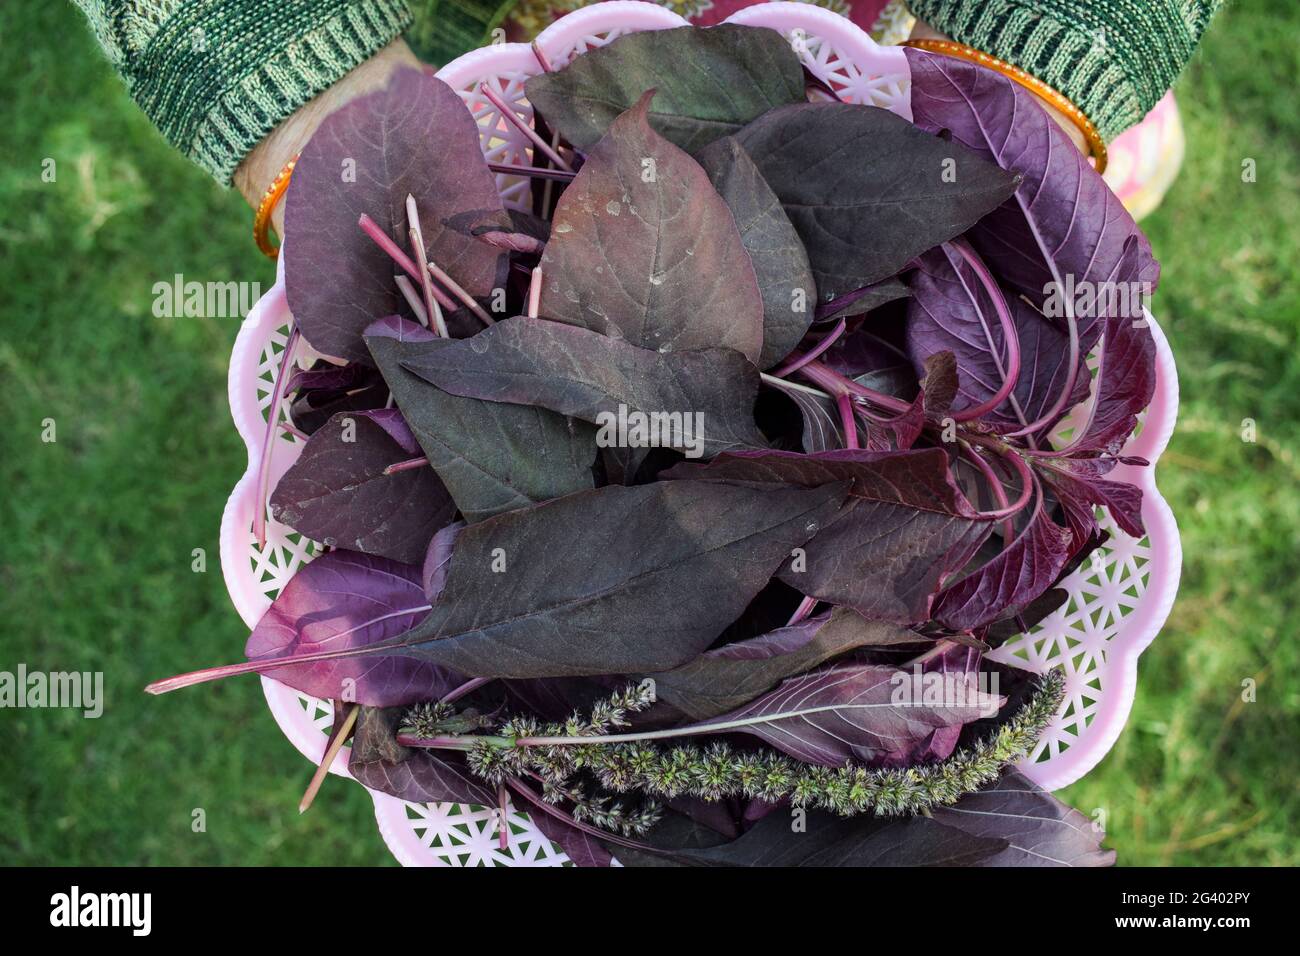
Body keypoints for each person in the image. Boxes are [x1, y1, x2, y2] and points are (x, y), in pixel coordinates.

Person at [72, 0, 1221, 248]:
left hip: (923, 34)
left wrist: (1045, 61)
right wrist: (291, 87)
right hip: (546, 39)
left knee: (1019, 201)